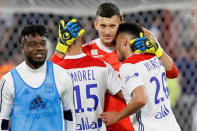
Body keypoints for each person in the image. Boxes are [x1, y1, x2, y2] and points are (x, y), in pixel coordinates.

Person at [51, 2, 178, 131]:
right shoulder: (85, 52)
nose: (107, 32)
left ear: (120, 24)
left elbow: (172, 73)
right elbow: (52, 75)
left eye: (112, 26)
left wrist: (158, 50)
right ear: (96, 25)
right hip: (104, 125)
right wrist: (61, 48)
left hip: (136, 126)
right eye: (103, 26)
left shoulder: (140, 45)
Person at [100, 22, 181, 131]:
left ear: (124, 42)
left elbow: (141, 99)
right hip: (172, 127)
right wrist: (158, 49)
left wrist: (118, 116)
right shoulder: (153, 56)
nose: (115, 49)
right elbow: (174, 73)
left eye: (116, 43)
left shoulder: (128, 66)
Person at [51, 19, 125, 130]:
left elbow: (40, 81)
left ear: (62, 40)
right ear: (83, 39)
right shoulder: (103, 67)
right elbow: (127, 96)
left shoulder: (56, 71)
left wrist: (60, 48)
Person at [0, 24, 75, 131]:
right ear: (22, 48)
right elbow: (3, 120)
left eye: (42, 44)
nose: (39, 48)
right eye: (33, 44)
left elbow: (69, 114)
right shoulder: (9, 80)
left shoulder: (62, 75)